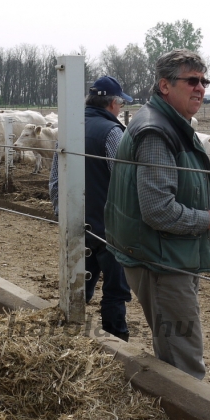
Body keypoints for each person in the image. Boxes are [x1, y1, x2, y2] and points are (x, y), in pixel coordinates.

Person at [105, 50, 210, 379]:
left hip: (164, 254)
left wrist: (208, 198)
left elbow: (166, 189)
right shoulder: (157, 132)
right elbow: (158, 210)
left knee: (174, 347)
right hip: (161, 261)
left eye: (204, 81)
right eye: (191, 81)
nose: (200, 88)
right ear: (165, 85)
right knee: (184, 359)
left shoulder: (167, 123)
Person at [48, 76, 133, 340]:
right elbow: (124, 181)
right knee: (115, 289)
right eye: (120, 103)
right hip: (108, 227)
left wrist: (61, 212)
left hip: (76, 222)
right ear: (113, 103)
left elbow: (55, 178)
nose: (120, 108)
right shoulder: (112, 133)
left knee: (78, 281)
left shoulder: (70, 127)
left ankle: (69, 333)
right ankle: (115, 342)